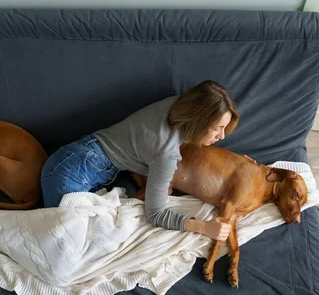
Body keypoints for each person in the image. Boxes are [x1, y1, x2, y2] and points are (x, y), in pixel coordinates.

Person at [40, 80, 239, 241]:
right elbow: (156, 214)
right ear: (197, 120)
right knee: (71, 250)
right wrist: (204, 226)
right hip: (68, 174)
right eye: (216, 128)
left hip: (73, 159)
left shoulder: (180, 104)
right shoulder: (166, 152)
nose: (221, 136)